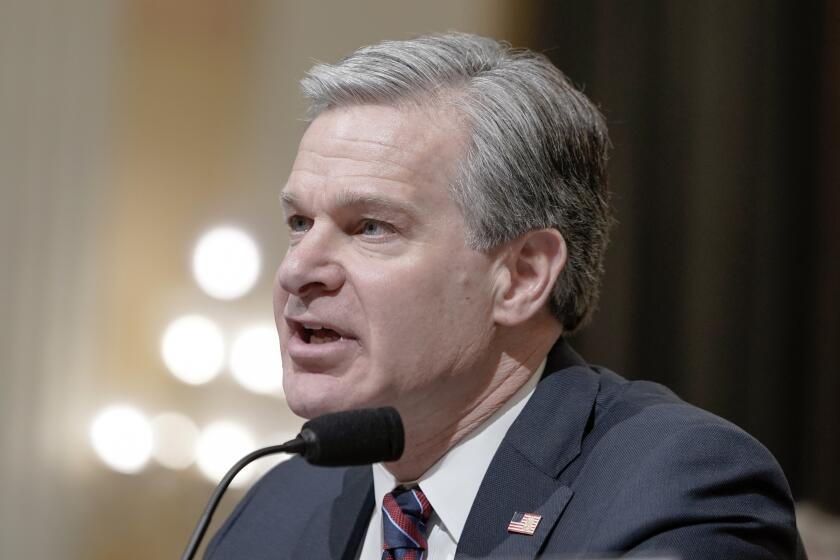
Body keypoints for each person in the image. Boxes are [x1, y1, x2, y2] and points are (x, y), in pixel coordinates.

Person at [205, 33, 804, 559]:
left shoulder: (679, 487)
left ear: (520, 277)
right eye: (300, 223)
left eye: (371, 227)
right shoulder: (278, 507)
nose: (299, 269)